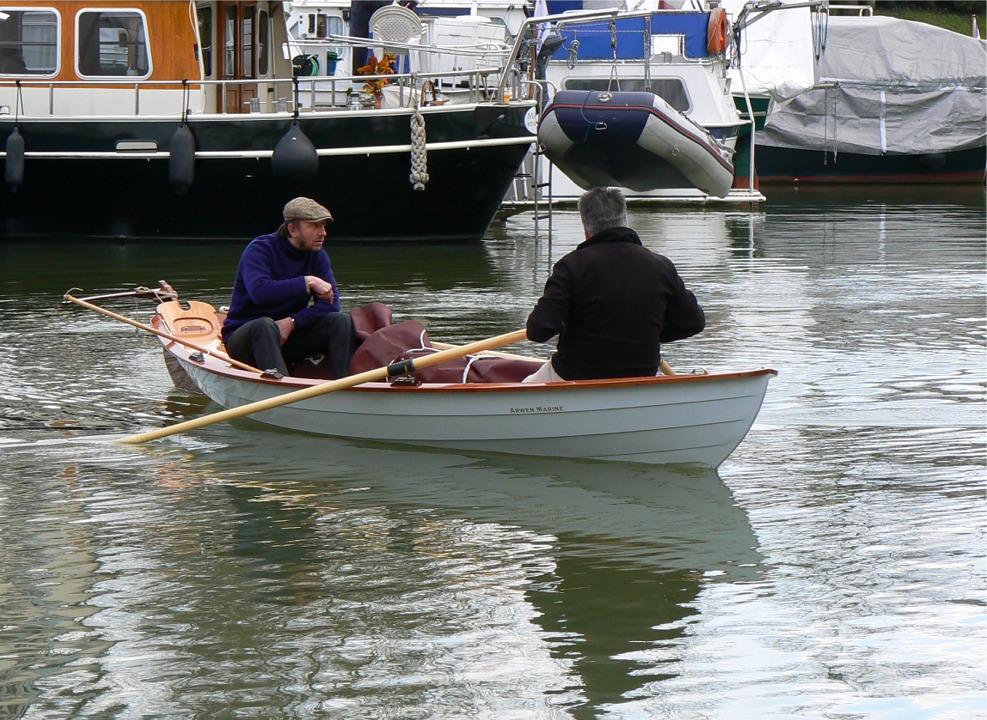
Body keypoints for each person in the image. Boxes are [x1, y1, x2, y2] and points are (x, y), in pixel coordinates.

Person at [523, 187, 705, 382]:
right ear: (624, 220)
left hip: (576, 376)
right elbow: (693, 322)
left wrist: (567, 323)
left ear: (586, 228)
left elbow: (538, 331)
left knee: (524, 387)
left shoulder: (571, 266)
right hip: (642, 375)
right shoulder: (661, 266)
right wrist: (649, 334)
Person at [222, 197, 356, 379]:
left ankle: (346, 384)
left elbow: (331, 305)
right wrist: (306, 282)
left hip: (288, 339)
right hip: (247, 341)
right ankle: (283, 391)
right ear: (293, 229)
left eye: (324, 226)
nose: (323, 233)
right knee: (264, 325)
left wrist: (293, 321)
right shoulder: (260, 250)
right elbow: (259, 293)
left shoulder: (318, 256)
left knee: (340, 321)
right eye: (315, 226)